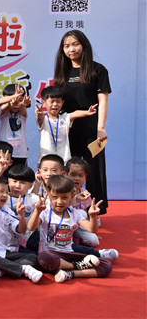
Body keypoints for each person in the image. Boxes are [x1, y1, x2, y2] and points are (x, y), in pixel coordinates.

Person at [53, 30, 110, 214]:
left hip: (92, 129)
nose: (71, 49)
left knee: (94, 170)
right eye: (67, 46)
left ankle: (95, 210)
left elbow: (103, 101)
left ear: (84, 45)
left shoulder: (98, 70)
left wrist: (101, 128)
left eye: (75, 44)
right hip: (68, 128)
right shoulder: (62, 72)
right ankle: (70, 209)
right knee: (69, 168)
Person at [27, 175, 113, 283]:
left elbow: (92, 229)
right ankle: (75, 267)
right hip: (51, 254)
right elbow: (31, 227)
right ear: (47, 195)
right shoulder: (45, 212)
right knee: (43, 257)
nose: (59, 202)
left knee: (106, 265)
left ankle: (69, 273)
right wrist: (37, 211)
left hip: (69, 254)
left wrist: (93, 216)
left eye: (64, 198)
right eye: (55, 197)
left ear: (72, 196)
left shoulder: (74, 213)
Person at [0, 161, 43, 283]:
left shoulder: (8, 211)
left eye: (6, 192)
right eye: (1, 191)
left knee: (33, 258)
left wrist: (21, 216)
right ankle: (22, 269)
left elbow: (21, 230)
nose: (5, 195)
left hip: (4, 251)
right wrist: (0, 170)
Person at [36, 85, 97, 163]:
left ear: (62, 103)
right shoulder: (43, 118)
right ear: (43, 102)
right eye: (52, 101)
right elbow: (40, 119)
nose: (55, 104)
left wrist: (87, 112)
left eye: (58, 101)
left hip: (64, 160)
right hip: (46, 160)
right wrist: (40, 115)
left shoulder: (65, 117)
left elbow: (75, 114)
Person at [0, 83, 31, 166]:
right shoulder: (3, 111)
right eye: (12, 99)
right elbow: (4, 109)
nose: (16, 103)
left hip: (20, 153)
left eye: (20, 100)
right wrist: (11, 103)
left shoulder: (23, 113)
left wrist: (22, 104)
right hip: (4, 152)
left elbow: (22, 109)